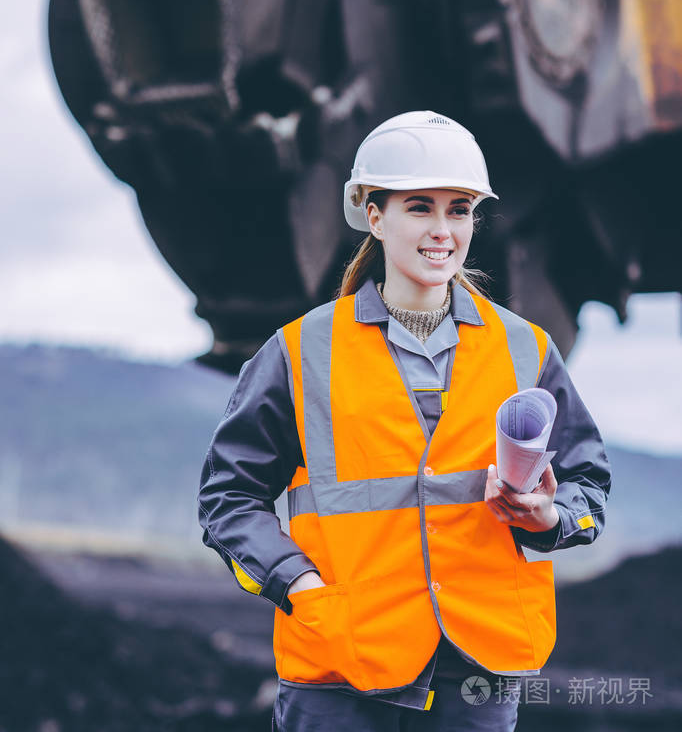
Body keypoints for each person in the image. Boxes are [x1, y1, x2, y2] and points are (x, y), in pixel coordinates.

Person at [198, 110, 611, 732]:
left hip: (479, 668)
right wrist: (301, 586)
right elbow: (229, 499)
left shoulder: (525, 348)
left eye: (460, 209)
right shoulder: (300, 352)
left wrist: (548, 515)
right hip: (342, 665)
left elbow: (589, 486)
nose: (443, 230)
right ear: (373, 214)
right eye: (420, 207)